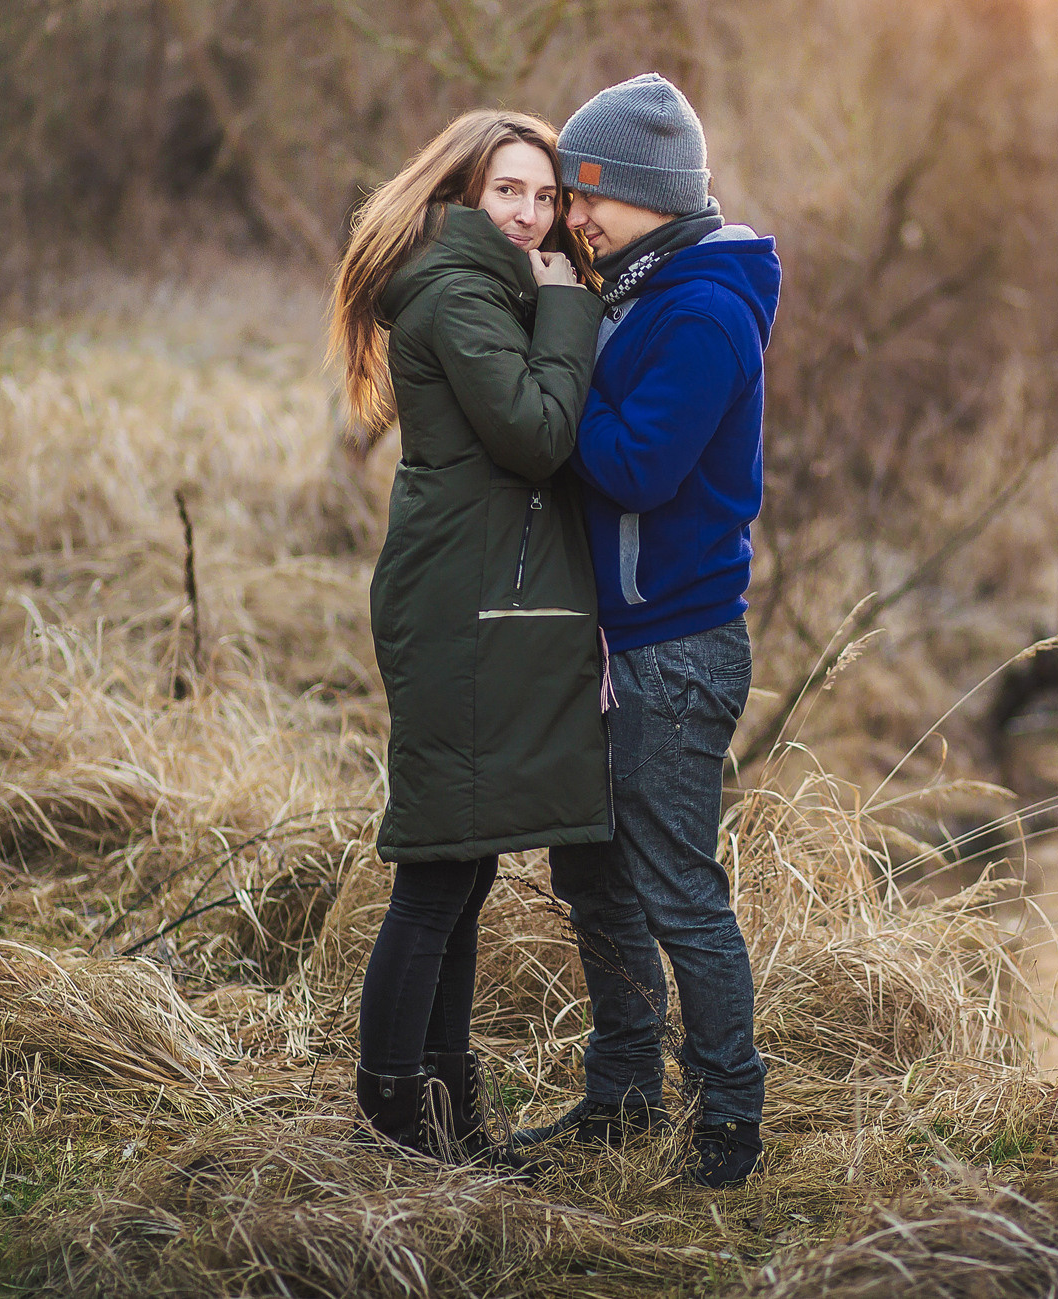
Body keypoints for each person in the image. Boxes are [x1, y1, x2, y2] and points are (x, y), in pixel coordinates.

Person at [505, 73, 780, 1188]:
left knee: (675, 889)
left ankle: (728, 1123)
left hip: (673, 651)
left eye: (588, 198)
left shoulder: (703, 308)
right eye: (567, 197)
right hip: (609, 643)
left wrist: (549, 385)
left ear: (650, 193)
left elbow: (632, 465)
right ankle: (620, 1100)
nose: (574, 217)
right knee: (594, 879)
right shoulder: (637, 288)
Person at [327, 110, 608, 1161]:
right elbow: (536, 437)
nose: (532, 216)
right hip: (456, 607)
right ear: (461, 196)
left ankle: (450, 1119)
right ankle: (396, 1119)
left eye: (544, 197)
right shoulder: (461, 295)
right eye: (510, 193)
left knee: (462, 864)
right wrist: (568, 310)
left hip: (467, 595)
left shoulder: (478, 286)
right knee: (439, 871)